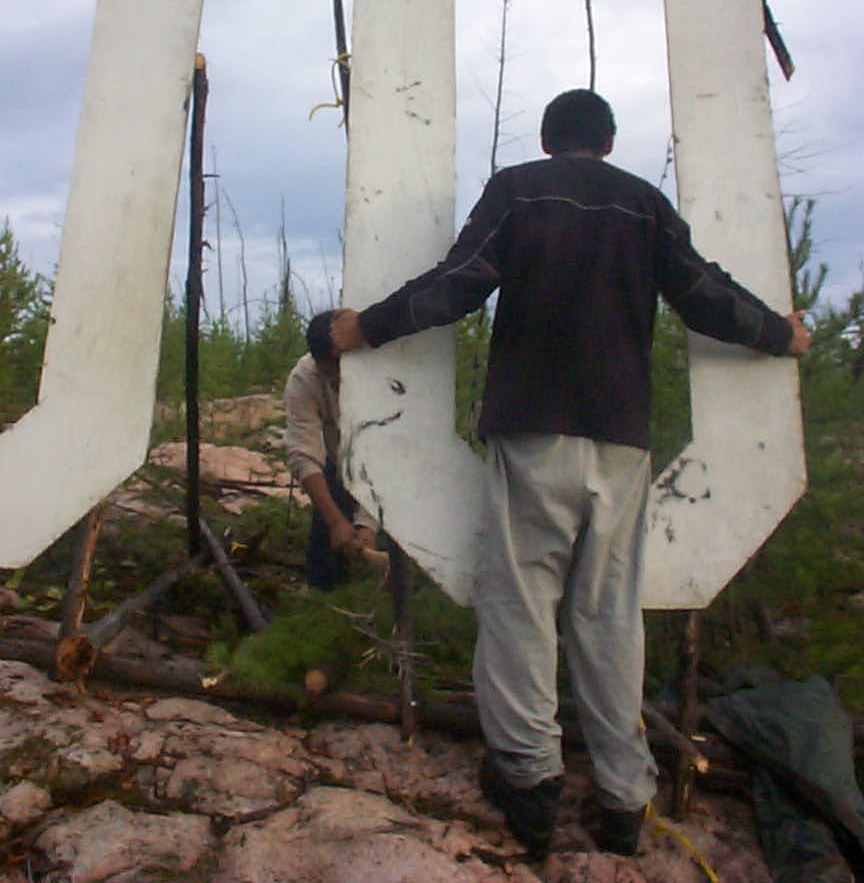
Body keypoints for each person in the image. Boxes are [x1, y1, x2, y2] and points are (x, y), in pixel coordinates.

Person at [330, 89, 810, 858]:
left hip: (533, 430)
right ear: (608, 143)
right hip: (621, 442)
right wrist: (779, 334)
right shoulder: (644, 205)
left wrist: (366, 327)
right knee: (609, 616)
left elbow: (459, 282)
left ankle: (530, 781)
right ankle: (623, 798)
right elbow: (703, 293)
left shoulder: (519, 190)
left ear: (549, 139)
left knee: (521, 607)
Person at [284, 312, 377, 591]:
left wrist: (368, 522)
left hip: (388, 470)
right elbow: (303, 454)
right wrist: (336, 522)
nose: (338, 380)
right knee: (327, 547)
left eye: (341, 369)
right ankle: (324, 593)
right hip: (339, 465)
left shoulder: (380, 374)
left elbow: (385, 455)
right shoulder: (304, 379)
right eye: (330, 373)